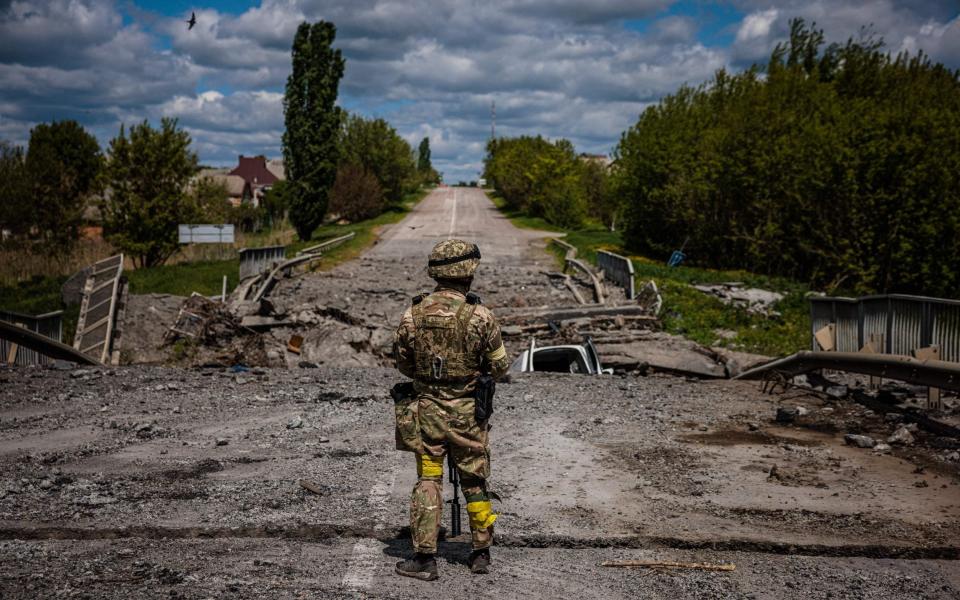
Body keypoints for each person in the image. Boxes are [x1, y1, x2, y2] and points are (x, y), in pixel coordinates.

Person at [392, 239, 510, 581]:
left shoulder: (412, 314)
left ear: (435, 273)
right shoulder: (481, 315)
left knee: (429, 478)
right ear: (468, 273)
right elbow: (500, 367)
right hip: (469, 416)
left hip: (427, 413)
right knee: (474, 479)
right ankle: (480, 553)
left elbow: (403, 364)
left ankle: (424, 559)